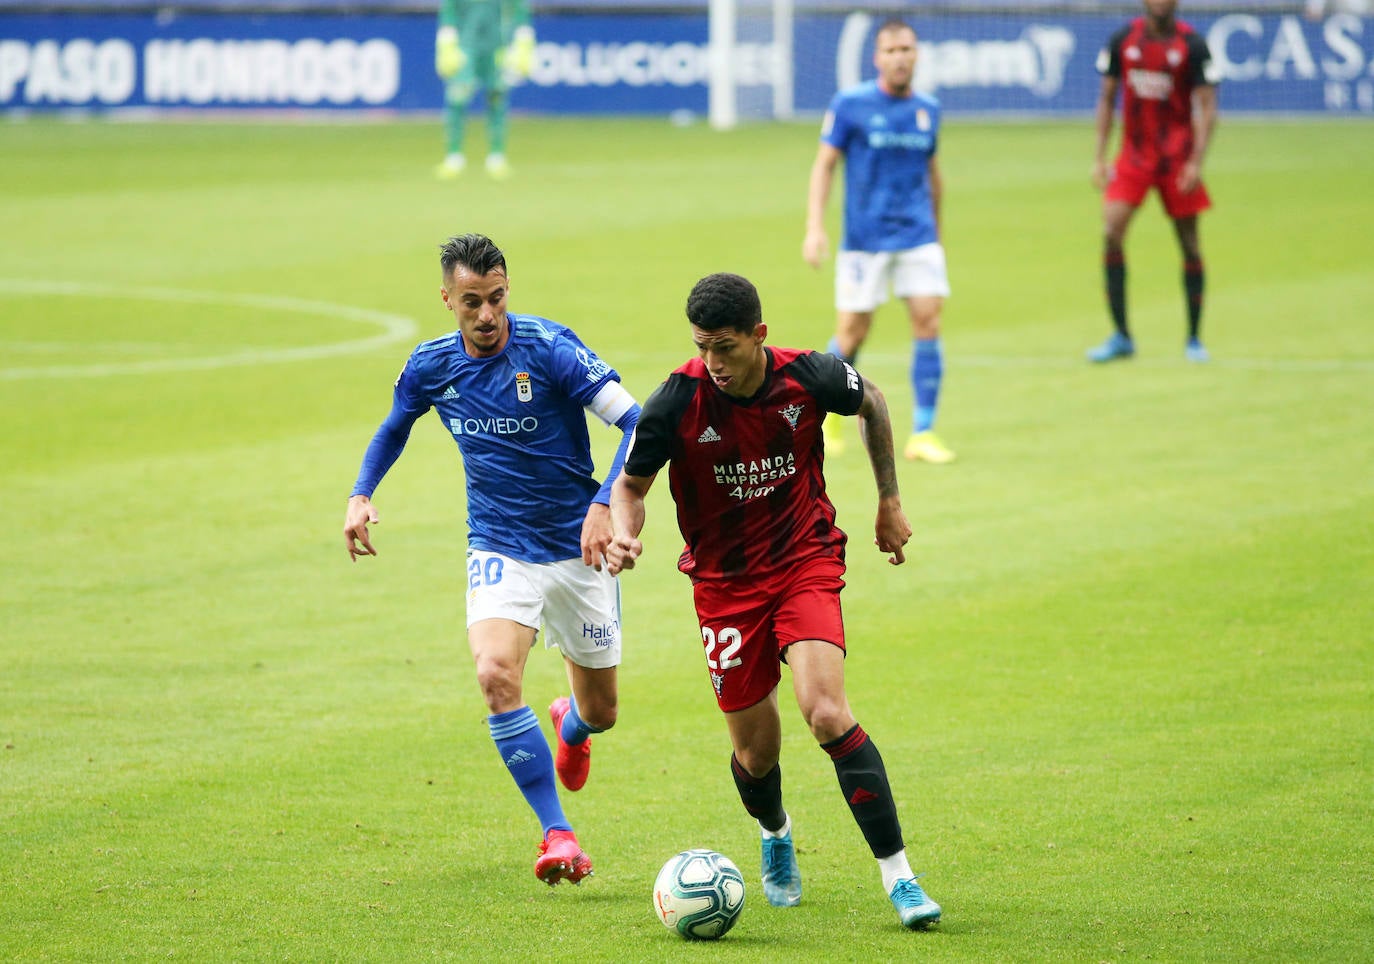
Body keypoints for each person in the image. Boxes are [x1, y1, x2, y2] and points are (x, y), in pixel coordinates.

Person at [606, 272, 943, 930]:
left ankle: (900, 878)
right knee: (756, 756)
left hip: (802, 562)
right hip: (724, 587)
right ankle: (775, 831)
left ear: (758, 335)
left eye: (726, 346)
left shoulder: (809, 377)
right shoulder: (675, 402)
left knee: (826, 712)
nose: (714, 361)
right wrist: (623, 532)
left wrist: (889, 499)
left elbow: (872, 401)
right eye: (703, 346)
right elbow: (631, 487)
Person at [343, 233, 641, 886]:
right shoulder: (431, 365)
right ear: (447, 299)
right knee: (495, 673)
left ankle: (571, 726)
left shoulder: (551, 348)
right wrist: (362, 494)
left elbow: (638, 424)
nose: (486, 314)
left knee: (602, 711)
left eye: (497, 298)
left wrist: (603, 505)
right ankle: (558, 833)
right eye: (472, 301)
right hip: (499, 545)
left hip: (579, 548)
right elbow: (395, 425)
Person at [803, 18, 955, 465]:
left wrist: (937, 233)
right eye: (891, 50)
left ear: (917, 55)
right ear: (877, 58)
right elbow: (825, 164)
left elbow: (933, 173)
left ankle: (923, 431)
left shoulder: (928, 109)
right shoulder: (851, 104)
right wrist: (815, 226)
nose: (900, 58)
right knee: (852, 332)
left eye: (907, 49)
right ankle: (827, 419)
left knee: (928, 321)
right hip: (865, 240)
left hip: (918, 236)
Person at [1088, 0, 1220, 363]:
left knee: (1190, 245)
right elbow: (1106, 98)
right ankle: (1121, 336)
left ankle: (1194, 339)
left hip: (1177, 159)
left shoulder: (1193, 44)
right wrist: (1099, 156)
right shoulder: (1123, 40)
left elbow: (1208, 107)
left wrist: (1196, 162)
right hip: (1134, 156)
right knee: (1111, 232)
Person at [433, 0, 536, 180]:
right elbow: (449, 11)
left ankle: (496, 157)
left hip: (497, 46)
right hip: (465, 47)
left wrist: (523, 40)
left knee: (497, 98)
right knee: (457, 99)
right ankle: (454, 156)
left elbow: (519, 10)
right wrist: (446, 42)